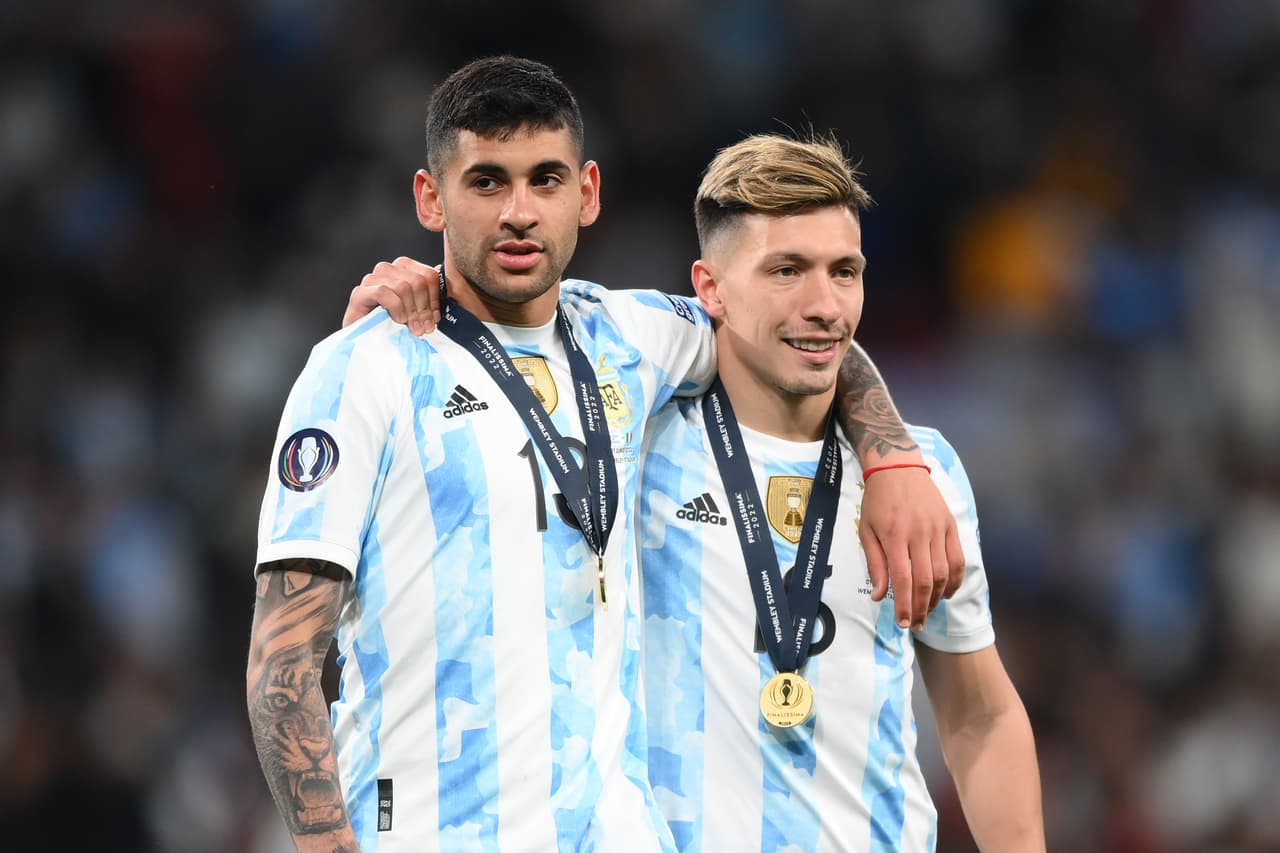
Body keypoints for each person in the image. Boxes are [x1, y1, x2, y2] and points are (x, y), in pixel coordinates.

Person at [249, 56, 961, 852]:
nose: (520, 212)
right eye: (487, 182)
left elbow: (795, 328)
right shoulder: (364, 367)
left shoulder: (633, 336)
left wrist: (893, 458)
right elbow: (281, 669)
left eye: (545, 180)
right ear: (430, 197)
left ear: (586, 192)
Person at [637, 134, 1044, 851]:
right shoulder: (637, 448)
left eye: (844, 271)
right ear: (710, 288)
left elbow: (978, 713)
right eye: (786, 270)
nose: (825, 305)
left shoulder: (926, 474)